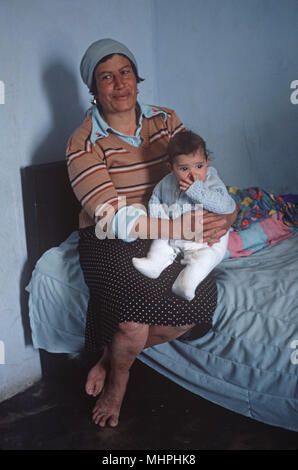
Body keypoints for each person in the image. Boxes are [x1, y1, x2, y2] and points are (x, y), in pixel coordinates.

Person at [66, 38, 238, 427]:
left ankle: (111, 358)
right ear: (94, 89)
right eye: (106, 77)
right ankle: (119, 382)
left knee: (191, 309)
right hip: (108, 237)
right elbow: (110, 218)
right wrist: (178, 227)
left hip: (171, 229)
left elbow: (199, 170)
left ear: (137, 78)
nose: (119, 83)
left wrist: (227, 215)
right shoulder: (83, 143)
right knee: (132, 320)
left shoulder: (165, 120)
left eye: (125, 72)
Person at [132, 130, 236, 301]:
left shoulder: (212, 182)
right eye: (184, 168)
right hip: (174, 231)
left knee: (207, 258)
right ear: (171, 167)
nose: (193, 174)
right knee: (160, 242)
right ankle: (155, 263)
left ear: (207, 162)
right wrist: (162, 221)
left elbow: (226, 205)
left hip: (206, 237)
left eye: (199, 166)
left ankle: (186, 283)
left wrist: (196, 190)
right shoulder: (166, 183)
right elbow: (155, 200)